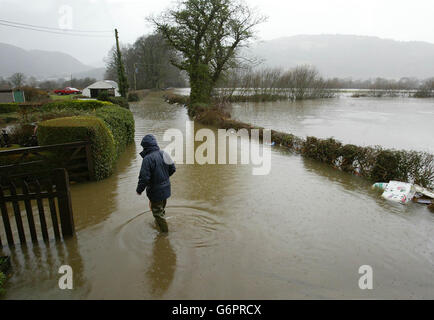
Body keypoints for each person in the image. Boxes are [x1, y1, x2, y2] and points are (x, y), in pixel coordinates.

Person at [136, 134, 176, 233]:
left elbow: (144, 178)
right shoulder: (164, 154)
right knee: (161, 209)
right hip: (166, 189)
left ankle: (164, 234)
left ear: (145, 146)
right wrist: (164, 179)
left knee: (157, 213)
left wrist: (139, 190)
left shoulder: (147, 159)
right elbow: (173, 169)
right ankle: (160, 225)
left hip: (155, 191)